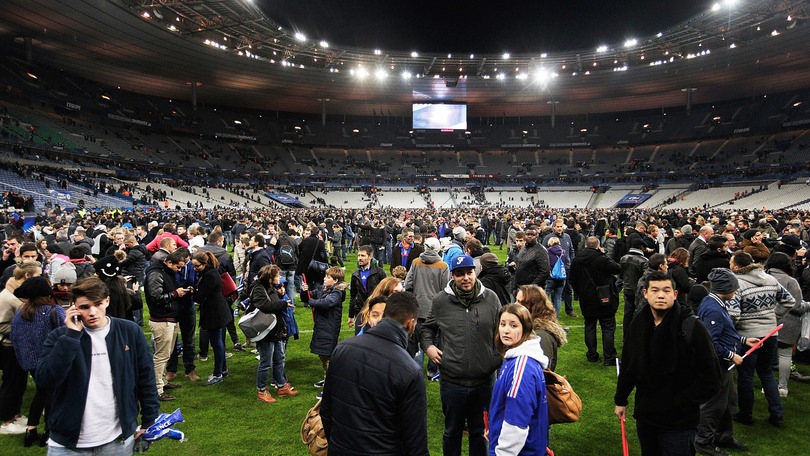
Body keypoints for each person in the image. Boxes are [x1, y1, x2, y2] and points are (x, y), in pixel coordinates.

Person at [36, 276, 160, 453]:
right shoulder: (60, 337)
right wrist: (71, 337)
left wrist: (149, 420)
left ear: (107, 301)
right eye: (85, 307)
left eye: (98, 304)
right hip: (68, 441)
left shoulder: (129, 331)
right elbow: (46, 380)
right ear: (74, 307)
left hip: (117, 438)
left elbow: (145, 377)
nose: (92, 312)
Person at [614, 272, 721, 456]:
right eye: (655, 290)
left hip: (678, 423)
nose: (661, 295)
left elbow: (711, 378)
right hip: (646, 416)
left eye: (666, 290)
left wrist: (680, 402)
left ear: (675, 294)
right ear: (645, 293)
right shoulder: (638, 323)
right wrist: (621, 399)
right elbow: (629, 365)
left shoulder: (692, 328)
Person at [321, 291, 428, 456]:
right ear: (410, 324)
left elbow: (326, 410)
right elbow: (415, 441)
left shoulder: (342, 349)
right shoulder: (410, 371)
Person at [420, 254, 501, 456]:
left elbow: (502, 331)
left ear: (476, 272)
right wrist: (428, 346)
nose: (465, 278)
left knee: (480, 432)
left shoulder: (491, 298)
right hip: (452, 381)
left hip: (484, 381)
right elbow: (427, 329)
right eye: (459, 274)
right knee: (452, 431)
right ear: (453, 277)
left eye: (469, 272)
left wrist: (497, 358)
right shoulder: (440, 301)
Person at [728, 250, 794, 427]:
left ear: (736, 266)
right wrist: (774, 317)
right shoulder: (770, 279)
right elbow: (789, 301)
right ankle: (776, 414)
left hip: (748, 335)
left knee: (746, 376)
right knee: (766, 373)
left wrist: (735, 330)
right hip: (770, 333)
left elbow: (733, 314)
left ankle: (746, 414)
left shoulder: (737, 283)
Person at [695, 268, 756, 456]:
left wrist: (743, 341)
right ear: (725, 288)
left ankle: (724, 436)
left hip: (724, 365)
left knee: (729, 402)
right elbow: (711, 342)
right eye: (734, 288)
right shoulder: (713, 309)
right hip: (718, 366)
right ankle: (704, 441)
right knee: (714, 405)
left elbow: (724, 332)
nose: (736, 291)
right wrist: (731, 355)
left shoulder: (715, 303)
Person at [488, 304, 549, 456]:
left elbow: (516, 423)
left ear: (526, 329)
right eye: (502, 324)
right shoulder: (514, 358)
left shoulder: (521, 368)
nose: (506, 330)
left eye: (513, 325)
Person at [10, 276, 65, 447]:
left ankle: (31, 429)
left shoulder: (21, 313)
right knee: (51, 395)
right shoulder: (54, 311)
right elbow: (65, 335)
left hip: (31, 363)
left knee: (41, 393)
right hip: (51, 361)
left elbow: (15, 338)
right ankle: (49, 432)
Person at [0, 261, 42, 435]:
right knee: (12, 383)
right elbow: (1, 325)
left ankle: (14, 414)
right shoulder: (8, 297)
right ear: (27, 276)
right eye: (38, 275)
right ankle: (6, 419)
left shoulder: (16, 294)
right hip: (8, 347)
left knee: (19, 382)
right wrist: (25, 328)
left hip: (16, 345)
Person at [144, 249, 190, 401]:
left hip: (170, 318)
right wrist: (175, 294)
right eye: (178, 267)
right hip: (162, 319)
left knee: (167, 354)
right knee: (161, 356)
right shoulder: (156, 274)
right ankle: (156, 390)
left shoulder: (166, 272)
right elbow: (155, 296)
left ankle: (161, 382)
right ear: (169, 262)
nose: (180, 270)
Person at [249, 265, 298, 403]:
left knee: (279, 358)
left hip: (275, 329)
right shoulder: (258, 289)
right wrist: (283, 304)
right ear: (269, 278)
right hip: (265, 331)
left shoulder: (270, 288)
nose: (279, 278)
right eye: (277, 276)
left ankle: (281, 386)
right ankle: (262, 390)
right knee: (266, 361)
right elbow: (264, 306)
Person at [570, 236, 621, 365]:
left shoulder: (577, 260)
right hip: (604, 297)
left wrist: (579, 292)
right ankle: (609, 357)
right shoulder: (602, 259)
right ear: (598, 245)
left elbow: (572, 280)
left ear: (586, 245)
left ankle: (592, 355)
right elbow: (618, 268)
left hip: (587, 298)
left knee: (590, 326)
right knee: (608, 327)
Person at [403, 236, 449, 379]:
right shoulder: (443, 266)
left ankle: (415, 370)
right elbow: (445, 288)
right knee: (434, 340)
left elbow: (408, 283)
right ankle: (431, 370)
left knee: (416, 339)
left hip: (418, 306)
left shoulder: (416, 262)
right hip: (435, 308)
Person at [764, 252, 809, 398]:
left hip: (765, 320)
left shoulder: (763, 276)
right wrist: (808, 305)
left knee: (766, 356)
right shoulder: (791, 281)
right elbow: (796, 306)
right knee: (785, 355)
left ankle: (767, 385)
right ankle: (782, 387)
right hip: (787, 323)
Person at [300, 266, 347, 397]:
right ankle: (327, 379)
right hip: (322, 327)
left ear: (335, 280)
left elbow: (325, 303)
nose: (324, 279)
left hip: (329, 329)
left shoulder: (337, 293)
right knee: (323, 355)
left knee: (328, 357)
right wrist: (305, 291)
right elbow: (309, 296)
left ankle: (330, 385)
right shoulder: (324, 289)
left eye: (328, 277)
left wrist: (311, 301)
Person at [192, 251, 233, 386]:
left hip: (214, 313)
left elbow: (199, 296)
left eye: (197, 266)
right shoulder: (212, 272)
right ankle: (223, 369)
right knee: (219, 342)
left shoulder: (209, 276)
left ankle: (217, 373)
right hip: (219, 311)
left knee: (217, 344)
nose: (195, 269)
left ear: (205, 264)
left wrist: (193, 291)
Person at [515, 284, 567, 371]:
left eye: (520, 302)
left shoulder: (542, 337)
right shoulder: (528, 328)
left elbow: (541, 372)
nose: (515, 305)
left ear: (532, 307)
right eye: (516, 300)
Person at [349, 245, 387, 333]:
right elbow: (353, 295)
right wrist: (351, 315)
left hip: (376, 310)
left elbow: (386, 292)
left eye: (363, 256)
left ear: (370, 257)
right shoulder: (355, 274)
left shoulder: (380, 272)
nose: (359, 258)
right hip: (360, 311)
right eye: (358, 255)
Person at [513, 226, 551, 297]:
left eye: (532, 235)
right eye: (528, 235)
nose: (530, 236)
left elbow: (545, 271)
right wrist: (514, 286)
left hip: (534, 290)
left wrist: (532, 286)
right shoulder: (523, 249)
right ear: (525, 236)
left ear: (537, 236)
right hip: (520, 287)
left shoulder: (540, 250)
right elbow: (518, 268)